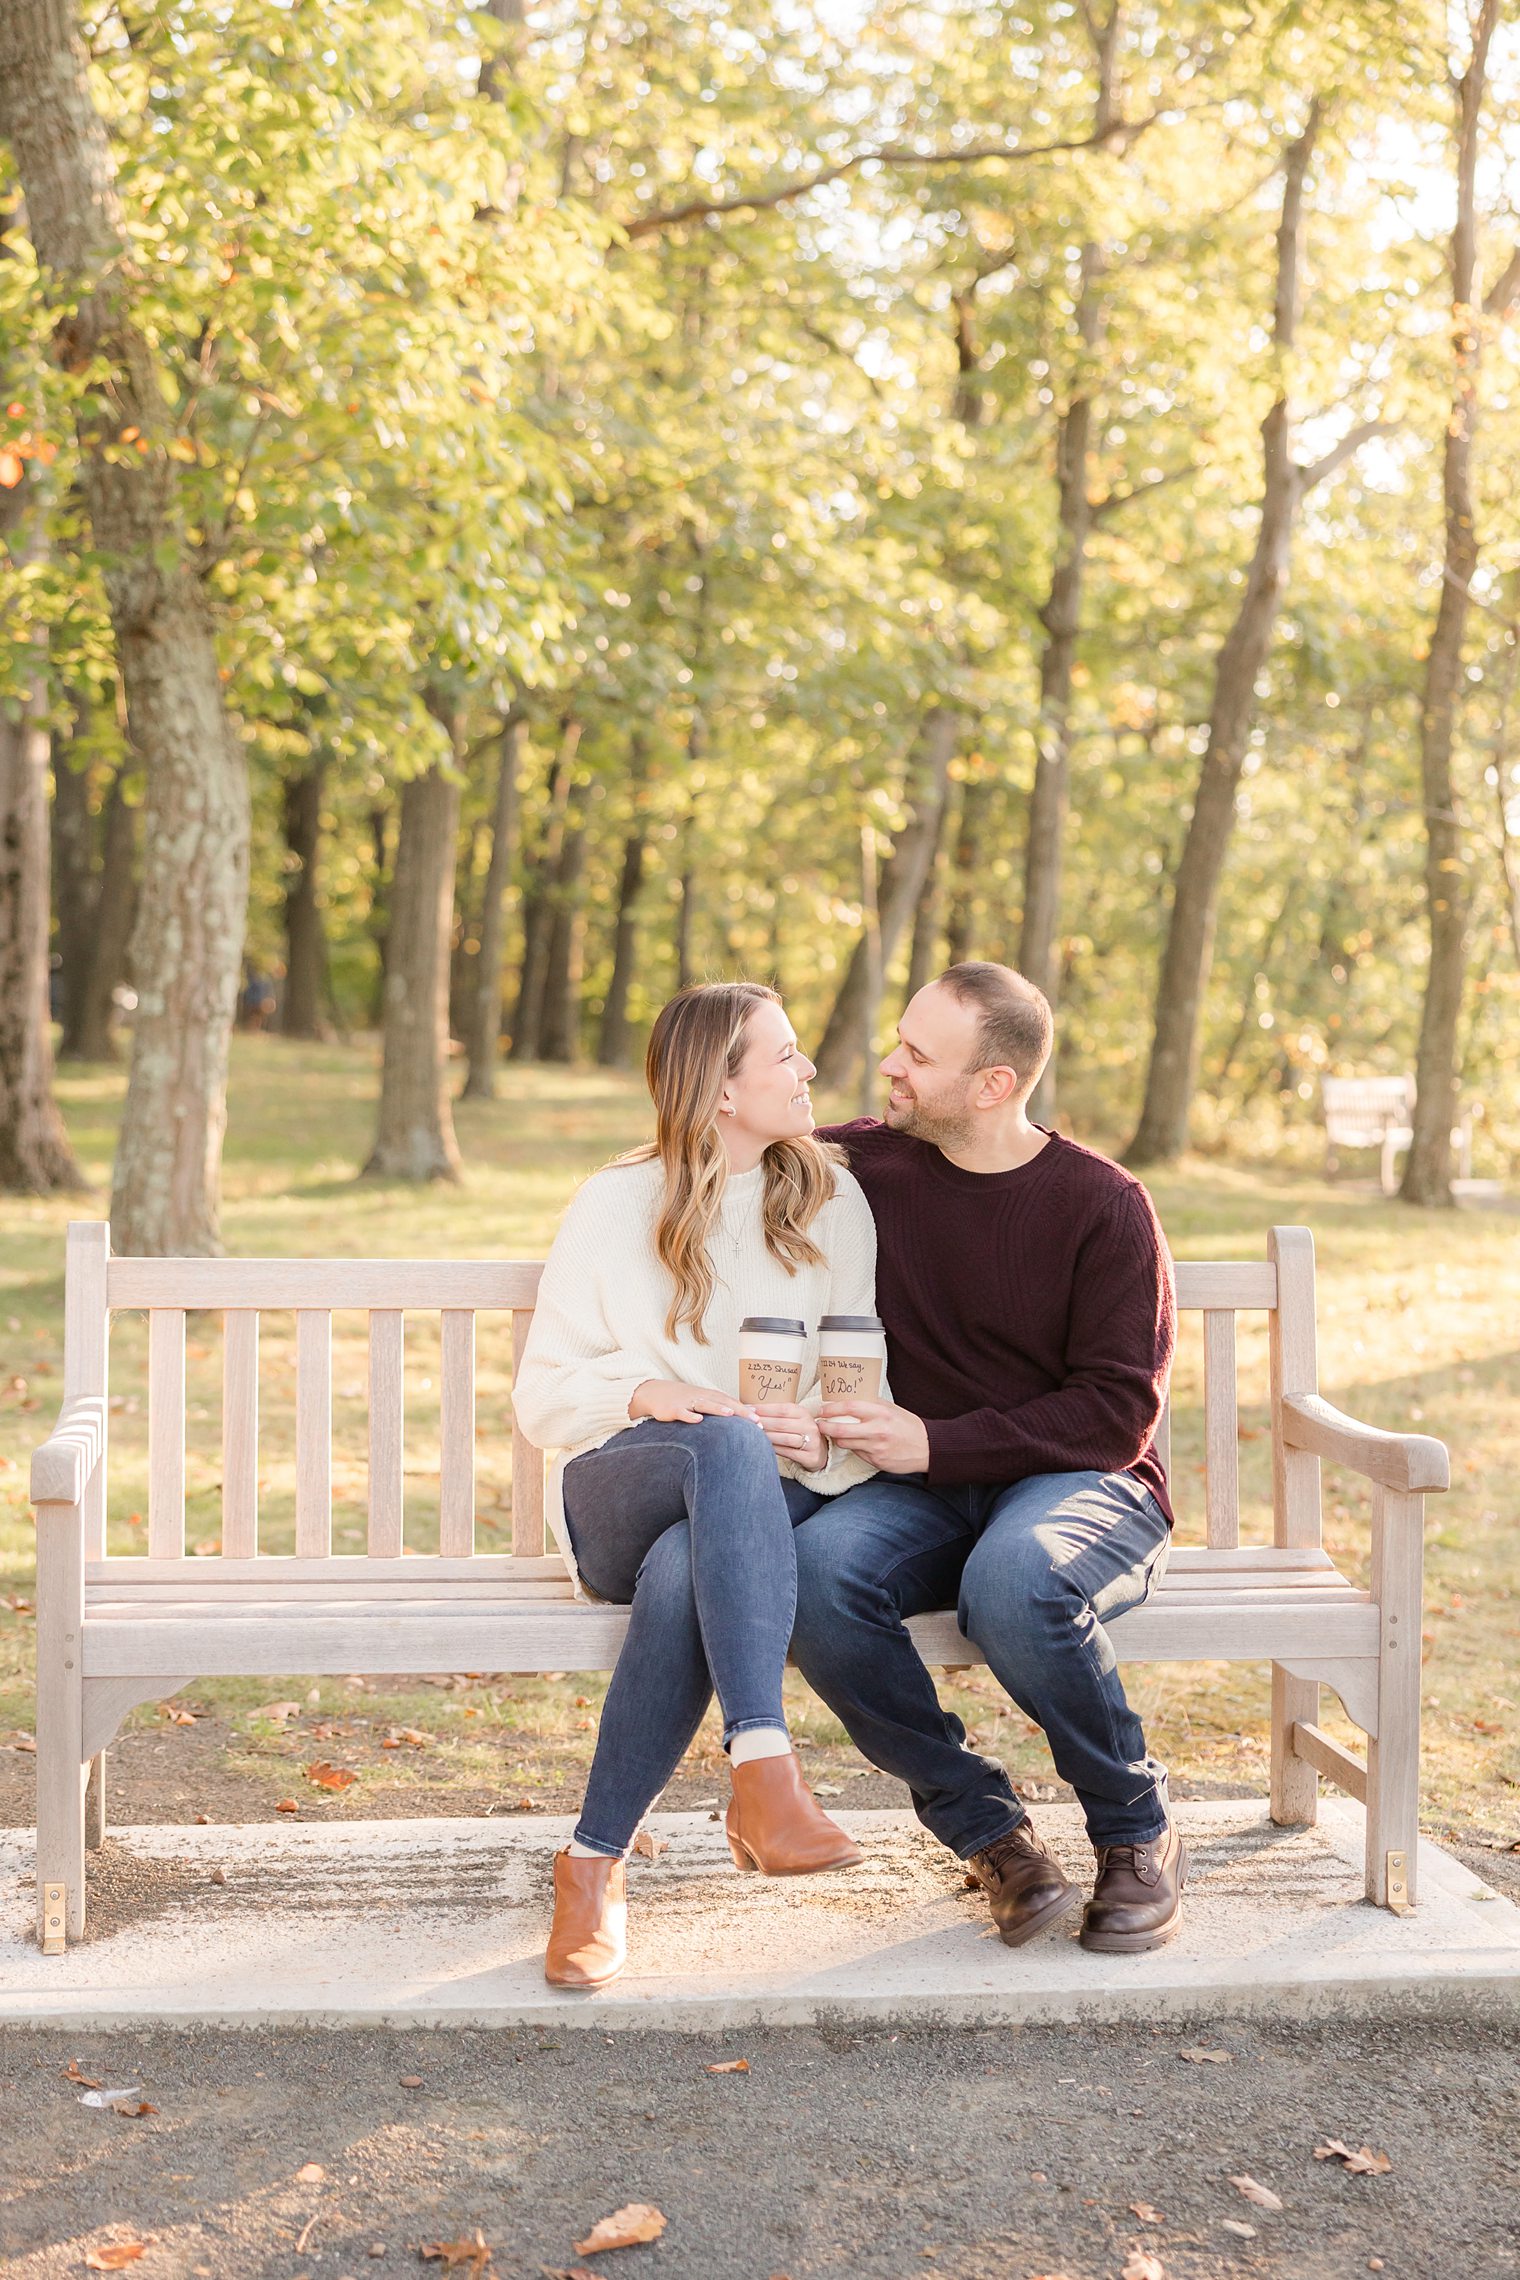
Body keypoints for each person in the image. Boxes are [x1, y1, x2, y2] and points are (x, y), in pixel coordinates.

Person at [793, 961, 1183, 1954]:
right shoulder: (863, 1166)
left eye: (917, 1056)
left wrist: (935, 1439)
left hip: (1081, 1487)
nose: (889, 1066)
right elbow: (720, 1151)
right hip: (925, 1493)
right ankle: (990, 1835)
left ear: (992, 1085)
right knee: (812, 1575)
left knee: (1013, 1580)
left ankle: (1135, 1831)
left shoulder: (1103, 1204)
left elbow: (1114, 1413)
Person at [512, 981, 880, 1991]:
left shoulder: (830, 1201)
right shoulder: (614, 1202)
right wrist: (646, 1389)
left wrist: (820, 1423)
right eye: (785, 1056)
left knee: (691, 1560)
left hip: (761, 1495)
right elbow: (543, 1401)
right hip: (617, 1492)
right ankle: (763, 1779)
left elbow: (856, 1372)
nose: (808, 1073)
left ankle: (591, 1870)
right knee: (716, 1442)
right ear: (721, 1089)